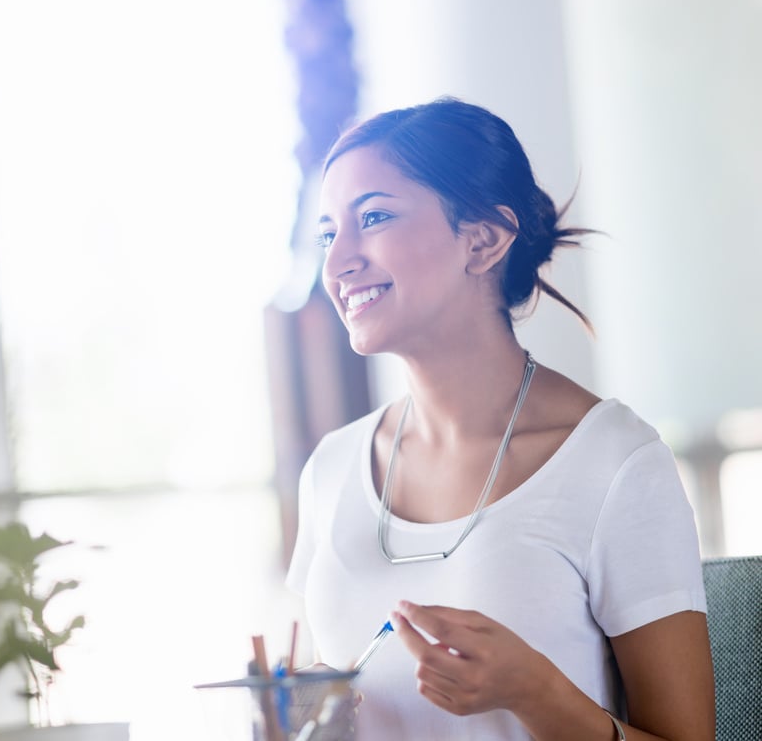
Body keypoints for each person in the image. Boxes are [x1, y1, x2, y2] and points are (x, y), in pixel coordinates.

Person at [285, 96, 715, 740]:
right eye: (327, 234)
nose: (336, 261)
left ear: (484, 240)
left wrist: (536, 692)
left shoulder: (615, 462)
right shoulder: (332, 468)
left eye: (373, 217)